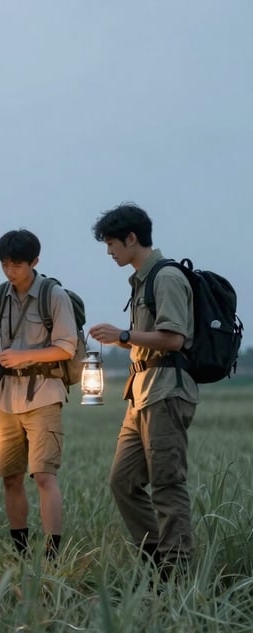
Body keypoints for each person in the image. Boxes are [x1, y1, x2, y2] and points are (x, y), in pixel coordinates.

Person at [89, 203, 197, 578]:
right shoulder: (141, 280)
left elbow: (174, 337)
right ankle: (156, 560)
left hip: (166, 392)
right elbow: (151, 339)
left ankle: (176, 574)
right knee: (122, 481)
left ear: (132, 239)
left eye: (112, 244)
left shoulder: (165, 278)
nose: (109, 252)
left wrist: (123, 334)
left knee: (168, 485)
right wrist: (121, 341)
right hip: (142, 394)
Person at [0, 229, 77, 560]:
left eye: (16, 265)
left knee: (44, 474)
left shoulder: (53, 296)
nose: (10, 272)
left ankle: (53, 554)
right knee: (10, 476)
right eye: (4, 265)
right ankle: (21, 551)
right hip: (6, 398)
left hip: (44, 393)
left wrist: (25, 356)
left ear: (35, 262)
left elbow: (66, 347)